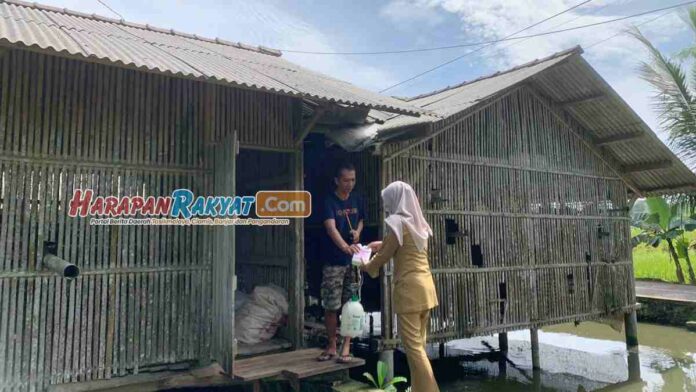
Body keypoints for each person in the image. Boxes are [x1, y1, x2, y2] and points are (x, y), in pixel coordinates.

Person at [360, 181, 439, 392]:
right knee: (419, 347)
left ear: (396, 200)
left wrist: (368, 266)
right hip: (427, 290)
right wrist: (381, 244)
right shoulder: (419, 223)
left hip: (409, 292)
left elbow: (385, 255)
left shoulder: (397, 222)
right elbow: (399, 246)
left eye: (388, 202)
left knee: (414, 350)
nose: (387, 207)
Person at [317, 162, 365, 364]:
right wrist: (345, 247)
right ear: (337, 180)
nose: (350, 184)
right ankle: (331, 345)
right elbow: (331, 229)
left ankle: (347, 346)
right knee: (331, 305)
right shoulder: (329, 201)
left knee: (350, 305)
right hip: (334, 261)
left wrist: (358, 232)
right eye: (346, 180)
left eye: (353, 180)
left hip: (353, 262)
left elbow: (361, 219)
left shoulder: (356, 199)